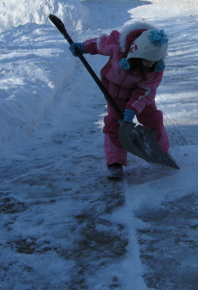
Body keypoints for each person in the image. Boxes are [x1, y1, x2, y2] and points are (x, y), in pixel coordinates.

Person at [69, 22, 170, 181]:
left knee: (152, 120)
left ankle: (161, 151)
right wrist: (83, 47)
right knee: (115, 124)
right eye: (146, 62)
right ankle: (114, 161)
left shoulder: (155, 68)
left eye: (154, 61)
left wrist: (132, 109)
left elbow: (145, 91)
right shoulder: (117, 45)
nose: (150, 65)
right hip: (115, 92)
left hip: (141, 96)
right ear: (136, 55)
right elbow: (99, 44)